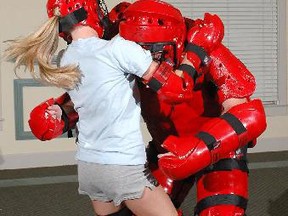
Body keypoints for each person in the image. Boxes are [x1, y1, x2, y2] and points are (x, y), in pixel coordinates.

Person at [17, 0, 267, 215]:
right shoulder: (122, 48)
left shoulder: (206, 46)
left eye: (157, 51)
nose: (150, 57)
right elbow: (103, 90)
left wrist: (200, 149)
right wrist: (63, 113)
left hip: (217, 150)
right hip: (165, 149)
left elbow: (248, 114)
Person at [4, 0, 196, 215]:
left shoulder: (65, 58)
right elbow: (179, 88)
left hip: (89, 166)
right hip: (123, 165)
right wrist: (196, 50)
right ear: (90, 11)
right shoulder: (119, 49)